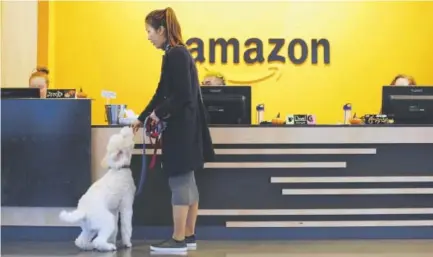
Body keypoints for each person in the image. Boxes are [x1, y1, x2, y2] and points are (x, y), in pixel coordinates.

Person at [131, 7, 215, 253]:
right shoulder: (176, 54)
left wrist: (158, 113)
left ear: (161, 30)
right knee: (188, 182)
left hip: (181, 130)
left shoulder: (175, 55)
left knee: (179, 181)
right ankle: (188, 236)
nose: (148, 36)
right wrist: (143, 116)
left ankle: (178, 239)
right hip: (187, 128)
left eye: (149, 31)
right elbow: (161, 91)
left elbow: (181, 96)